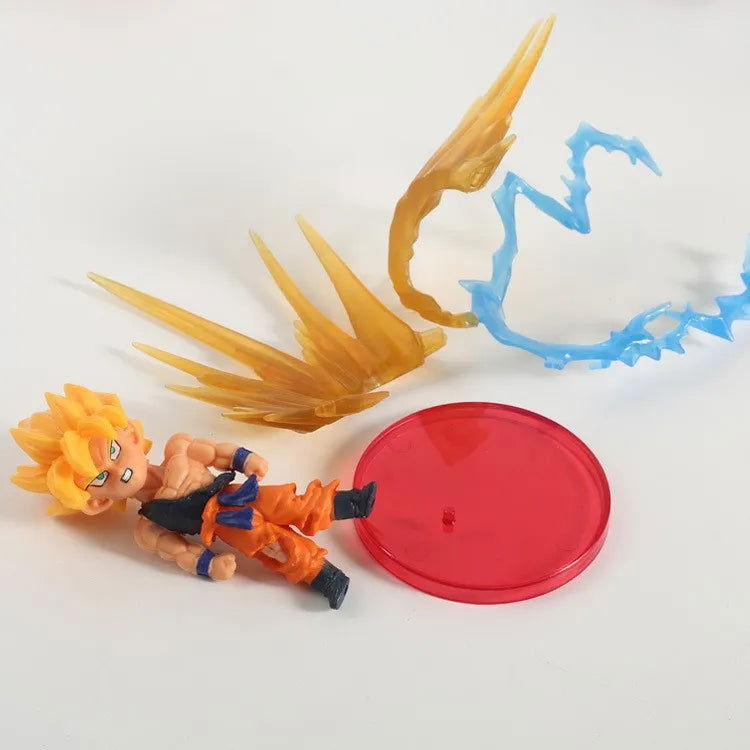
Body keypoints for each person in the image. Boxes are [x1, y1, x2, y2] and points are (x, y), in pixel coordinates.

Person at [10, 384, 376, 609]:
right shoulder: (148, 527)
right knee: (276, 546)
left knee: (292, 503)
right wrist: (209, 566)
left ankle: (354, 502)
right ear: (95, 501)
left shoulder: (179, 449)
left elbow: (217, 453)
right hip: (226, 526)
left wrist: (246, 458)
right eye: (101, 477)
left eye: (114, 451)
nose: (119, 471)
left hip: (240, 493)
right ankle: (327, 578)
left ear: (130, 434)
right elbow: (180, 551)